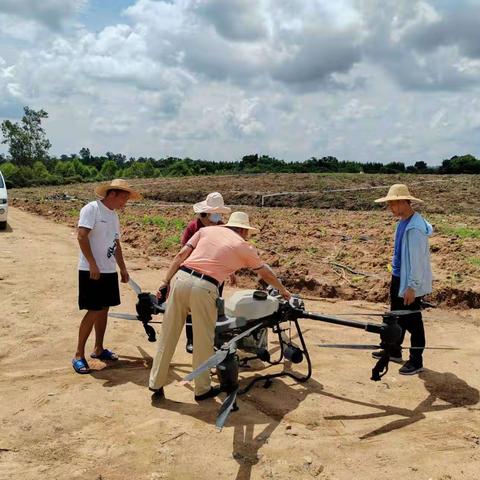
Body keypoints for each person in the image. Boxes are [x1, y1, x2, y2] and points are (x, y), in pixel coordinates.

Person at [149, 211, 291, 400]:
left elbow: (181, 254)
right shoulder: (243, 246)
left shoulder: (208, 231)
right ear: (243, 230)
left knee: (168, 334)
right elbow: (266, 273)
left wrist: (165, 281)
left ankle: (155, 383)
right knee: (203, 340)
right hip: (205, 287)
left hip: (181, 279)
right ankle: (202, 389)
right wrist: (282, 290)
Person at [72, 179, 141, 374]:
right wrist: (93, 263)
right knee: (93, 310)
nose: (124, 203)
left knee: (103, 309)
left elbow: (116, 243)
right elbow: (82, 236)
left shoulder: (113, 216)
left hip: (108, 271)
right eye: (124, 199)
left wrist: (123, 268)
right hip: (91, 270)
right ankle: (78, 354)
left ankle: (98, 348)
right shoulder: (91, 209)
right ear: (112, 194)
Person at [372, 184, 433, 375]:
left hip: (408, 282)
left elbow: (417, 262)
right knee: (395, 317)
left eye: (392, 204)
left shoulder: (414, 229)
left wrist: (412, 287)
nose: (390, 208)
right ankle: (394, 351)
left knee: (413, 321)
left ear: (403, 202)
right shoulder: (402, 222)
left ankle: (416, 360)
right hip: (399, 277)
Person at [180, 192, 234, 354]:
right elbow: (184, 251)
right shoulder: (193, 228)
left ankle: (210, 337)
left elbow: (227, 250)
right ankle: (191, 340)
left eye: (219, 213)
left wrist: (230, 271)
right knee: (192, 307)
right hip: (194, 274)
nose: (218, 217)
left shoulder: (221, 227)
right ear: (205, 213)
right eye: (215, 213)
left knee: (213, 306)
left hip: (216, 275)